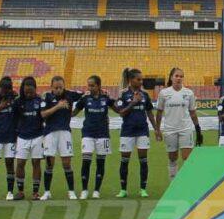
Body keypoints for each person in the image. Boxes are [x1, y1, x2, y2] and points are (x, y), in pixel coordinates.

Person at [154, 67, 202, 180]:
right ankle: (173, 183)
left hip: (185, 129)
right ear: (171, 77)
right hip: (170, 130)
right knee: (172, 158)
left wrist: (198, 129)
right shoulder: (164, 93)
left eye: (181, 76)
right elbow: (159, 112)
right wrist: (157, 129)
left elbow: (193, 113)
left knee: (187, 158)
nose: (179, 78)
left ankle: (187, 183)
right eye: (176, 76)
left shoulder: (189, 93)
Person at [114, 68, 154, 198]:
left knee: (143, 160)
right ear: (131, 80)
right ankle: (123, 190)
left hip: (142, 130)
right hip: (127, 131)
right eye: (138, 79)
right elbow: (121, 113)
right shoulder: (123, 94)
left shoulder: (145, 94)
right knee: (125, 160)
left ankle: (143, 189)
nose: (141, 81)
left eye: (141, 79)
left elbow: (149, 112)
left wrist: (157, 129)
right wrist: (133, 102)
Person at [39, 76, 81, 200]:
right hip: (50, 133)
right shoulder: (46, 97)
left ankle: (71, 191)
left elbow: (84, 96)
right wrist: (57, 106)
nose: (58, 90)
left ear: (64, 86)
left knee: (66, 163)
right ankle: (47, 191)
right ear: (51, 87)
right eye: (56, 88)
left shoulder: (70, 95)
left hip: (65, 133)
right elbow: (42, 114)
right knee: (49, 163)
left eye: (60, 87)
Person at [74, 75, 113, 198]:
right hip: (88, 134)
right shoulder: (85, 98)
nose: (90, 87)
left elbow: (118, 109)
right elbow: (74, 112)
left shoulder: (106, 98)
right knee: (86, 162)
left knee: (100, 163)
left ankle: (97, 190)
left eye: (92, 85)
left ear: (98, 86)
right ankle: (84, 190)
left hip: (103, 134)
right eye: (88, 85)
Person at [11, 76, 45, 200]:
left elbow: (44, 117)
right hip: (22, 137)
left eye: (31, 92)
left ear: (35, 89)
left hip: (37, 136)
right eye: (26, 92)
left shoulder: (40, 101)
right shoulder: (18, 102)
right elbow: (13, 119)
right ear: (22, 90)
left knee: (36, 162)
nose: (29, 94)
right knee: (20, 163)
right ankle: (20, 191)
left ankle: (35, 192)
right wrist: (14, 136)